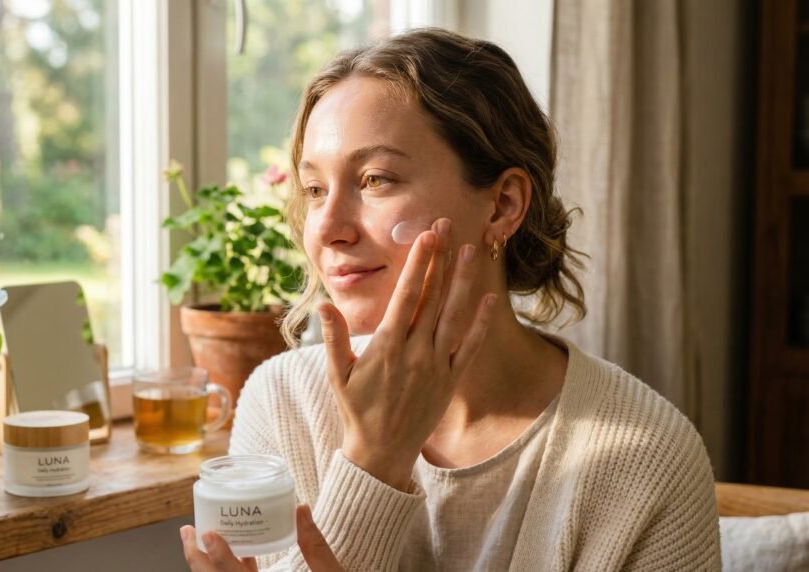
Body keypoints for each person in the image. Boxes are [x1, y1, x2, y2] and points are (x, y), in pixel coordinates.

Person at [180, 28, 720, 571]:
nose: (328, 229)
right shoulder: (283, 403)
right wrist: (374, 461)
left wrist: (376, 460)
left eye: (375, 179)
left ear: (503, 205)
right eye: (315, 190)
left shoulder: (649, 458)